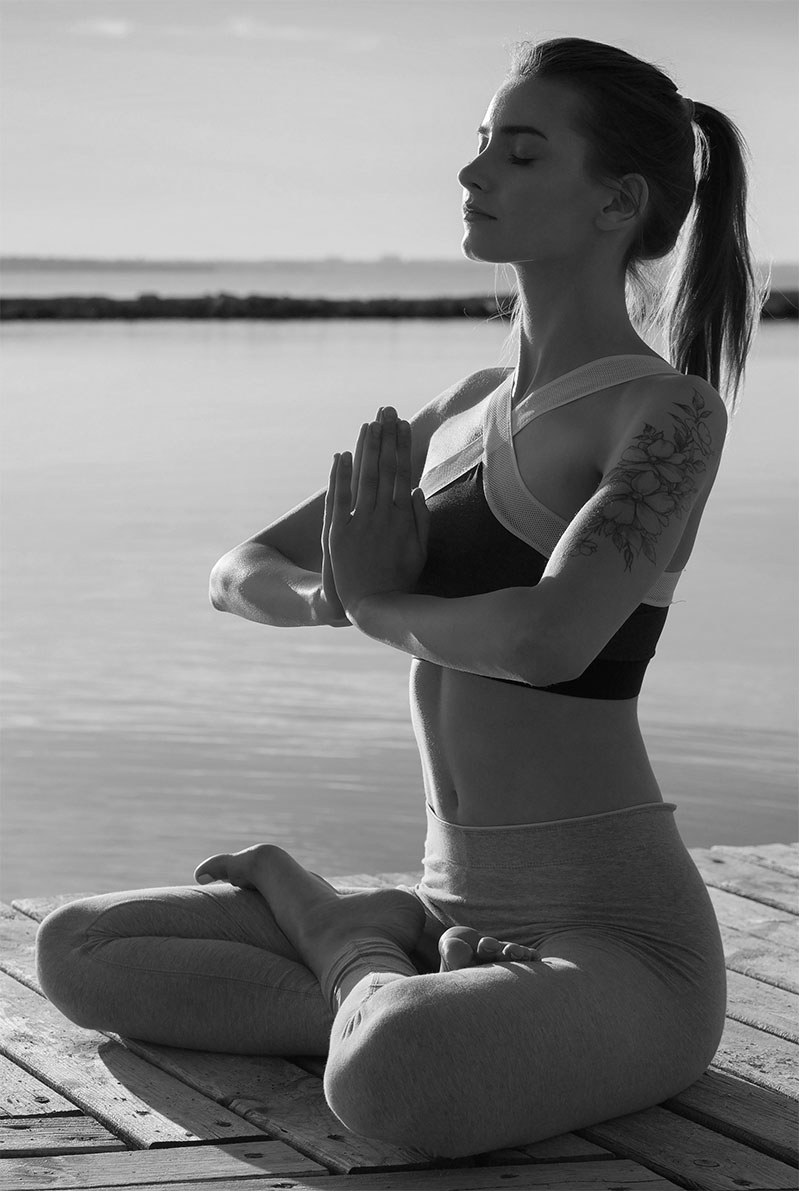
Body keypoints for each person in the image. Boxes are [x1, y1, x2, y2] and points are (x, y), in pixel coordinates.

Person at [36, 37, 762, 1158]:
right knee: (81, 951)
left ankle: (338, 940)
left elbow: (552, 637)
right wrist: (336, 596)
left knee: (389, 1082)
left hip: (617, 942)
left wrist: (376, 607)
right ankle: (384, 972)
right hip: (444, 912)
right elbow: (237, 571)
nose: (473, 175)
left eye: (519, 155)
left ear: (618, 201)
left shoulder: (664, 416)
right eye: (478, 147)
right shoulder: (459, 410)